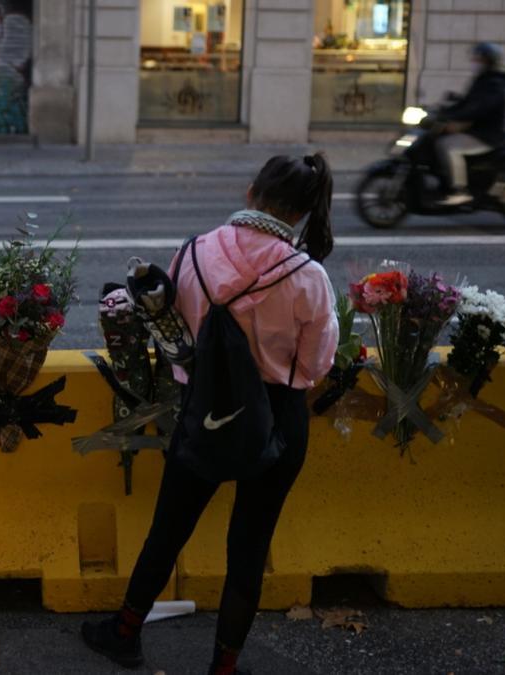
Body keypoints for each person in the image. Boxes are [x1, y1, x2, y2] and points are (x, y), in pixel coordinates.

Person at [81, 155, 340, 675]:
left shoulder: (194, 251)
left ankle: (126, 632)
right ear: (306, 213)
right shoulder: (308, 276)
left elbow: (175, 336)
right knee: (249, 545)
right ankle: (223, 666)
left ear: (251, 193)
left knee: (169, 528)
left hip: (204, 410)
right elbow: (316, 365)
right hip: (278, 420)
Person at [437, 42, 505, 206]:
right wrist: (441, 112)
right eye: (474, 58)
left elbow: (479, 109)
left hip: (486, 135)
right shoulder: (483, 79)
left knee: (448, 147)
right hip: (475, 131)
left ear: (489, 61)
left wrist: (455, 118)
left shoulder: (495, 84)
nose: (474, 62)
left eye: (478, 59)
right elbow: (467, 102)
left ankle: (459, 190)